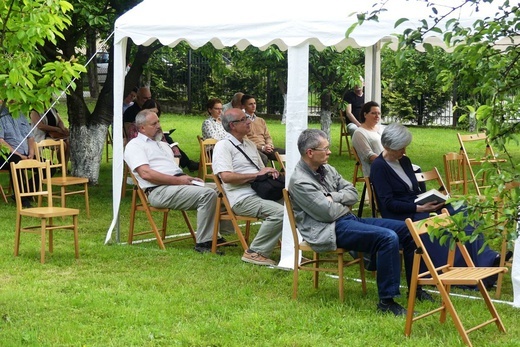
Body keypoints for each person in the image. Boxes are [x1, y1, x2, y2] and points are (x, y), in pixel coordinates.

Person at [288, 128, 433, 316]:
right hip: (328, 229)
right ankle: (386, 302)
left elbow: (353, 192)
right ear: (310, 153)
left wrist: (332, 196)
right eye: (325, 149)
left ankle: (416, 288)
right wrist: (342, 203)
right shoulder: (300, 181)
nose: (330, 152)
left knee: (408, 229)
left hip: (347, 219)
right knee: (387, 237)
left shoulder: (327, 169)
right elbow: (328, 213)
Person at [370, 123, 500, 284]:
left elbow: (414, 191)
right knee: (437, 220)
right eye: (400, 148)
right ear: (388, 147)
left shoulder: (405, 161)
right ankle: (457, 268)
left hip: (417, 204)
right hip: (401, 214)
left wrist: (433, 199)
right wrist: (419, 207)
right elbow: (388, 204)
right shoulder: (379, 167)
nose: (404, 151)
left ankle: (486, 258)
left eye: (405, 147)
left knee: (463, 209)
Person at [124, 109, 219, 253]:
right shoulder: (135, 145)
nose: (159, 126)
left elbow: (172, 169)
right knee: (207, 194)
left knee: (222, 189)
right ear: (142, 127)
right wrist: (180, 181)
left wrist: (189, 178)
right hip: (158, 190)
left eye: (159, 122)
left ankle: (217, 235)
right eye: (154, 123)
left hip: (175, 185)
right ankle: (204, 243)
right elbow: (146, 174)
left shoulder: (161, 144)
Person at [212, 108, 284, 266]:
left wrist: (270, 173)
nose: (249, 122)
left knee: (296, 206)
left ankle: (290, 252)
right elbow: (226, 177)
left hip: (260, 192)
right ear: (232, 125)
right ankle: (255, 252)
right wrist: (257, 175)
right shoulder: (223, 146)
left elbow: (260, 171)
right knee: (281, 213)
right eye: (244, 120)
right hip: (242, 198)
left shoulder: (250, 144)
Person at [124, 87, 199, 171]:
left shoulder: (156, 125)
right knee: (168, 140)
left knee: (170, 143)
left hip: (159, 149)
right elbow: (131, 135)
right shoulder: (132, 116)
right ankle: (186, 164)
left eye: (149, 98)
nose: (148, 100)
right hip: (149, 151)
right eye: (145, 98)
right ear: (138, 97)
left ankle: (182, 165)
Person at [0, 105, 37, 207]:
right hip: (7, 155)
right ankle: (21, 198)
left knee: (48, 165)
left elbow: (31, 137)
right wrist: (19, 155)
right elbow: (1, 141)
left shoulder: (20, 114)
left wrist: (31, 152)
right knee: (16, 161)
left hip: (26, 153)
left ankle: (27, 191)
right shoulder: (1, 116)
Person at [241, 94, 285, 165]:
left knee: (289, 153)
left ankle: (284, 174)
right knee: (263, 158)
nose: (253, 106)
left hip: (266, 147)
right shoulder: (242, 121)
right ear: (243, 106)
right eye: (250, 104)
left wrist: (269, 145)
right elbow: (245, 141)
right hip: (253, 148)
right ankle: (263, 175)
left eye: (254, 103)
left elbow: (267, 136)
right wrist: (262, 148)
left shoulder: (261, 120)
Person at [351, 101, 385, 177]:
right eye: (373, 113)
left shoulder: (382, 129)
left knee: (414, 170)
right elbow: (369, 156)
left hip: (389, 165)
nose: (377, 116)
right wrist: (387, 162)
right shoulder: (359, 133)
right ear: (365, 114)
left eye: (379, 113)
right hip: (376, 170)